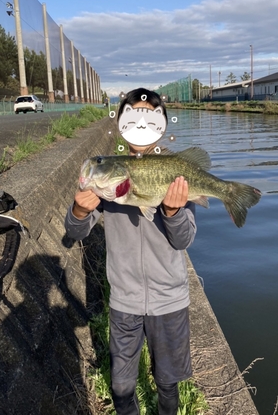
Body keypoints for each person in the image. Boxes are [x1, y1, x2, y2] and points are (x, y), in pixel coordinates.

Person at [64, 88, 197, 415]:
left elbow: (184, 240)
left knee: (168, 383)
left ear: (162, 124)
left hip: (170, 301)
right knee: (122, 386)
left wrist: (174, 212)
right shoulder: (110, 184)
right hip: (124, 301)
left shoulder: (175, 172)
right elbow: (75, 231)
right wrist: (79, 211)